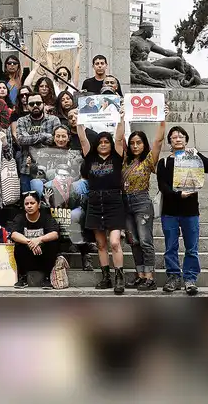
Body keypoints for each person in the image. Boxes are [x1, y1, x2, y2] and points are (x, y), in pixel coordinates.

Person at [157, 126, 208, 296]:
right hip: (170, 211)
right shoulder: (164, 162)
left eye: (181, 136)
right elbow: (162, 186)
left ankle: (190, 279)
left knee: (192, 248)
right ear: (170, 142)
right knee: (170, 247)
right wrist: (178, 195)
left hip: (190, 212)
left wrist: (197, 154)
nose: (178, 139)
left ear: (186, 140)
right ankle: (173, 277)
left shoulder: (193, 158)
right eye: (174, 137)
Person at [77, 106, 128, 294]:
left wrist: (121, 119)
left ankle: (119, 277)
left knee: (114, 242)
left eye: (107, 141)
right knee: (100, 244)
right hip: (95, 201)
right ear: (97, 144)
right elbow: (82, 138)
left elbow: (119, 138)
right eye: (101, 142)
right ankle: (106, 277)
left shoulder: (116, 157)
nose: (104, 144)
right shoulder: (90, 158)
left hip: (114, 201)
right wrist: (80, 120)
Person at [122, 115, 168, 291]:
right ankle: (140, 275)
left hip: (142, 203)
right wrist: (121, 118)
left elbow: (158, 141)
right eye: (132, 143)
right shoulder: (124, 160)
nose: (135, 146)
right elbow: (118, 140)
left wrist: (162, 120)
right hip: (125, 204)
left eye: (138, 143)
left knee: (145, 241)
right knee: (133, 241)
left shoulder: (149, 160)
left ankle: (150, 277)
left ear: (144, 144)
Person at [38, 127, 92, 271]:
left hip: (71, 209)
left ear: (68, 137)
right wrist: (49, 203)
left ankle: (85, 256)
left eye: (64, 136)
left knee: (77, 216)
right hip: (55, 210)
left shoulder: (76, 155)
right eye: (58, 136)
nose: (61, 139)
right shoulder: (46, 157)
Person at [8, 191, 61, 290]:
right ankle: (23, 277)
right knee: (19, 245)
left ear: (39, 204)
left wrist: (39, 240)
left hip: (43, 257)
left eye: (32, 203)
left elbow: (55, 234)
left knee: (52, 244)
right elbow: (14, 234)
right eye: (26, 204)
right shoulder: (20, 218)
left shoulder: (46, 217)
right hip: (27, 257)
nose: (29, 206)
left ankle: (47, 277)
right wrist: (30, 242)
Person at [13, 94, 62, 195]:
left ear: (43, 104)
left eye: (38, 103)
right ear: (27, 106)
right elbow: (21, 140)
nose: (35, 105)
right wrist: (43, 136)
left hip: (49, 168)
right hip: (26, 168)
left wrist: (30, 139)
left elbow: (56, 140)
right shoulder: (22, 121)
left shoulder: (54, 120)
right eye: (31, 104)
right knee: (28, 200)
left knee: (50, 201)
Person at [0, 31, 30, 104]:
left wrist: (25, 54)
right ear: (6, 65)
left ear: (18, 65)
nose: (12, 65)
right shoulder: (1, 77)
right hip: (4, 107)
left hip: (18, 109)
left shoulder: (21, 79)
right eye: (9, 63)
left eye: (15, 63)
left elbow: (26, 70)